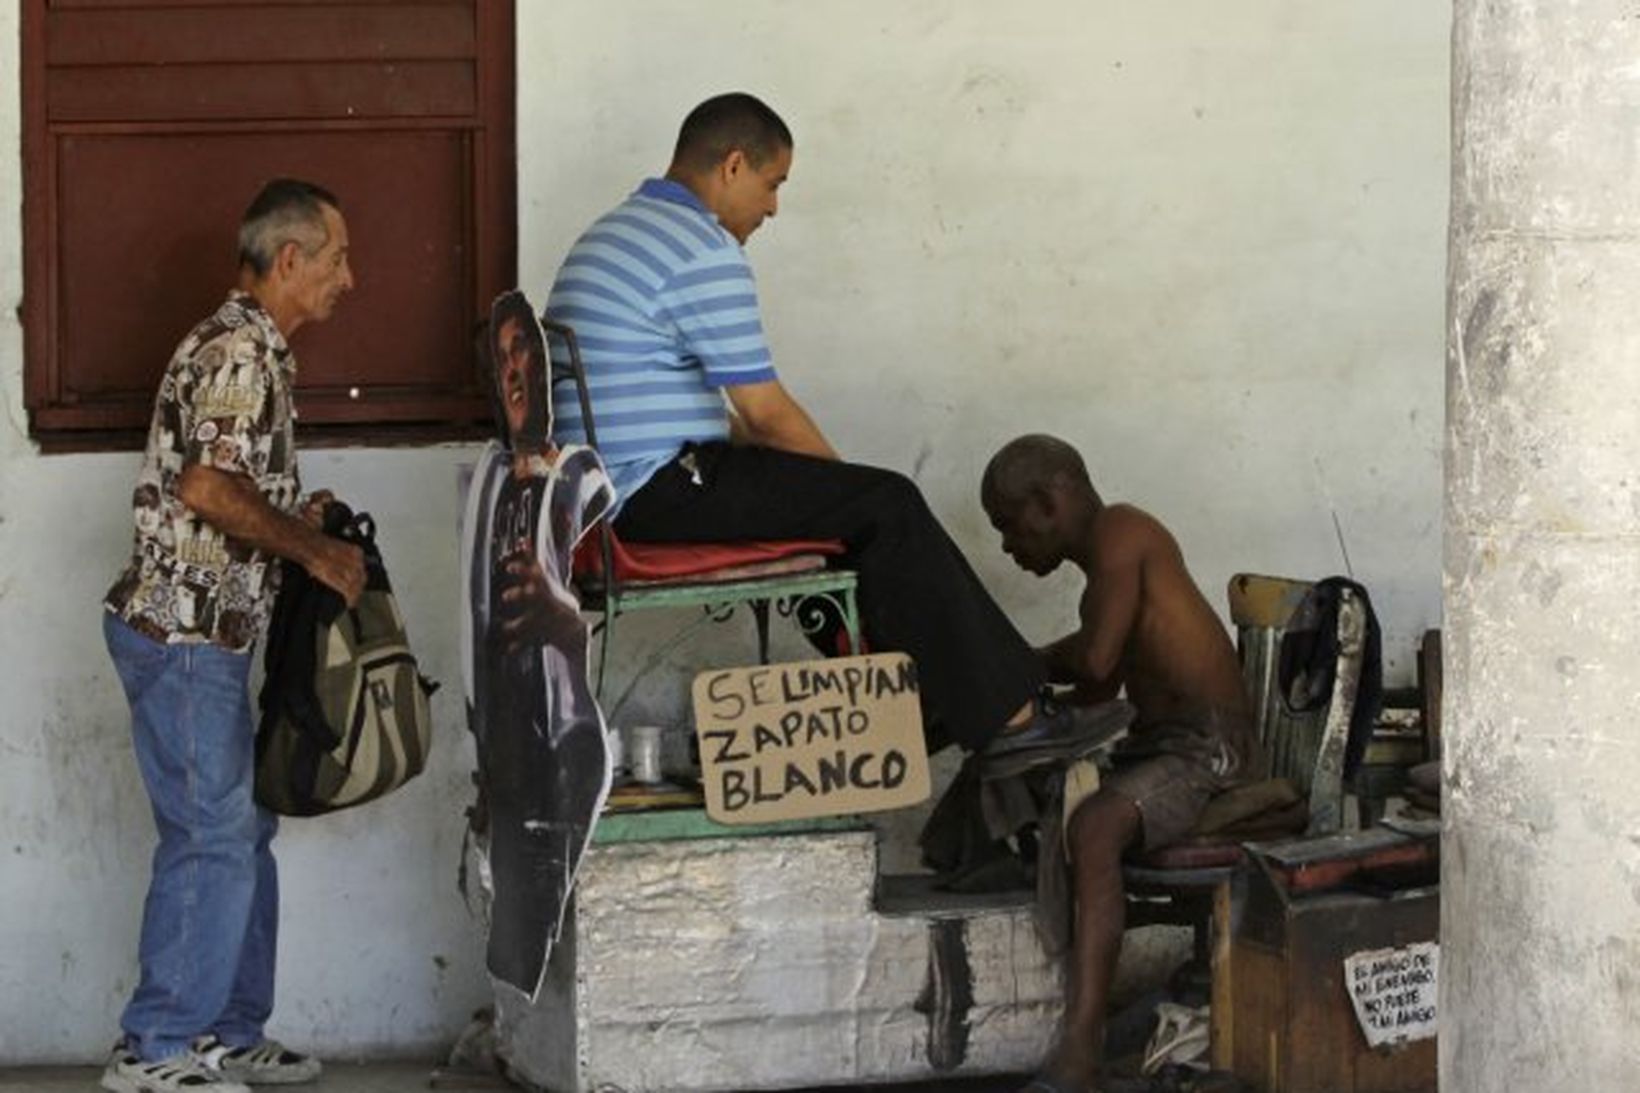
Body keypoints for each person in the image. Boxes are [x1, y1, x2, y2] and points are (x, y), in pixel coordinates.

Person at [545, 91, 1066, 754]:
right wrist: (847, 491)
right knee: (887, 504)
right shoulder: (699, 250)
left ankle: (928, 696)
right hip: (650, 493)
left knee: (852, 509)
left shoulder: (619, 230)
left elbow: (681, 405)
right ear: (733, 165)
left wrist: (829, 494)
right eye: (772, 184)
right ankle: (1013, 717)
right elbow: (766, 415)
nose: (772, 208)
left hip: (604, 491)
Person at [100, 179, 364, 1093]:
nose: (350, 278)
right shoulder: (241, 353)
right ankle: (156, 1046)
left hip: (209, 634)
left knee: (237, 829)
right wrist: (315, 554)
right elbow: (209, 492)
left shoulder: (256, 350)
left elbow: (230, 483)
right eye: (337, 258)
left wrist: (302, 513)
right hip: (180, 634)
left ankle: (225, 1028)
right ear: (289, 260)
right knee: (210, 834)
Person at [980, 434, 1264, 1093]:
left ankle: (1080, 1050)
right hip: (1165, 746)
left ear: (1049, 502)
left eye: (1007, 524)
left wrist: (1019, 660)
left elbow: (1097, 661)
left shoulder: (1123, 531)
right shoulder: (1103, 572)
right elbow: (1100, 693)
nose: (1006, 545)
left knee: (1095, 827)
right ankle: (1044, 1011)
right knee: (1044, 792)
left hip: (1210, 750)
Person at [459, 290, 613, 996]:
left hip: (559, 722)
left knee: (543, 882)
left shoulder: (574, 470)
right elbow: (473, 608)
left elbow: (572, 594)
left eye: (524, 352)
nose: (514, 369)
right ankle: (520, 1008)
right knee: (513, 899)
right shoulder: (489, 478)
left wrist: (563, 619)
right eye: (502, 358)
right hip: (501, 725)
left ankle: (530, 996)